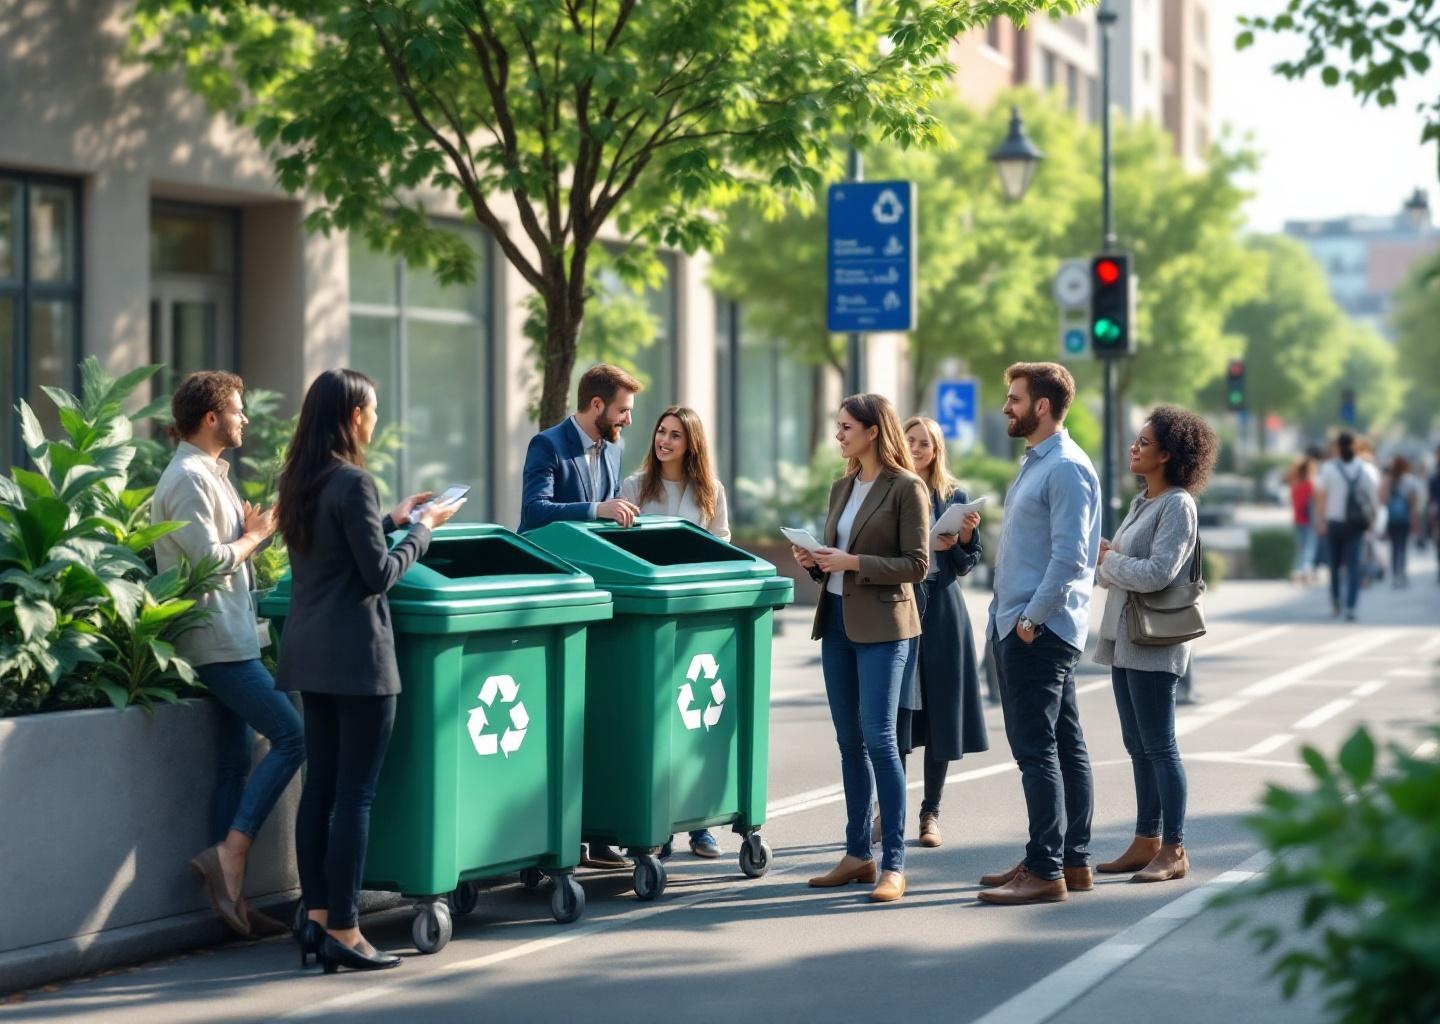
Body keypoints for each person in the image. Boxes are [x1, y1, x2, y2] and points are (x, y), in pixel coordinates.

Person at [275, 369, 461, 973]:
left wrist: (393, 517)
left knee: (320, 790)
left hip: (310, 654)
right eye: (373, 410)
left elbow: (336, 550)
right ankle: (349, 930)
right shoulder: (354, 481)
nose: (376, 418)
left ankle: (319, 917)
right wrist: (424, 532)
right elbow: (378, 575)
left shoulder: (302, 480)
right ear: (354, 416)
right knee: (355, 795)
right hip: (359, 658)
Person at [153, 371, 305, 938]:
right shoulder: (189, 478)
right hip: (215, 644)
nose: (246, 420)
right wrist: (256, 536)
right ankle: (230, 857)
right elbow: (207, 562)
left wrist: (245, 533)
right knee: (294, 736)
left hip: (231, 636)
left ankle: (231, 902)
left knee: (231, 766)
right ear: (212, 418)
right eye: (238, 412)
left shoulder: (207, 474)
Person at [793, 394, 928, 903]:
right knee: (849, 742)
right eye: (838, 426)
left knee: (880, 739)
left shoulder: (906, 487)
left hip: (885, 628)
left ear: (873, 431)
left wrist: (851, 563)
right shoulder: (841, 486)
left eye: (847, 427)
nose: (839, 435)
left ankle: (894, 862)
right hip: (837, 625)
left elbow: (917, 565)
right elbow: (837, 559)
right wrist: (814, 559)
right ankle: (857, 855)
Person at [978, 362, 1100, 906]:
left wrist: (1029, 619)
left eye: (1015, 398)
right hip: (1031, 624)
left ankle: (1046, 869)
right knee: (1064, 745)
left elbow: (1071, 557)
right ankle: (1067, 860)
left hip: (1039, 630)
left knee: (1037, 751)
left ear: (1042, 406)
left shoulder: (1066, 468)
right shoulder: (1040, 463)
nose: (1007, 407)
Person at [519, 363, 643, 868]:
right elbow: (534, 513)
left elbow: (610, 516)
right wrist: (597, 510)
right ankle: (550, 834)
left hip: (600, 591)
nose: (628, 421)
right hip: (553, 592)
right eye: (622, 411)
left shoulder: (611, 449)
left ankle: (596, 832)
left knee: (600, 714)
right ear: (597, 406)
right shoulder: (547, 446)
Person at [1093, 407, 1218, 885]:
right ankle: (1146, 839)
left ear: (1168, 454)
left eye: (1144, 442)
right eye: (1137, 440)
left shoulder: (1177, 505)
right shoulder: (1143, 501)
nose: (1135, 447)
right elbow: (1127, 567)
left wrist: (1110, 560)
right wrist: (1112, 559)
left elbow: (1159, 572)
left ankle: (1175, 847)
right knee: (1137, 745)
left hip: (1155, 640)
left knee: (1160, 746)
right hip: (1126, 636)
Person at [620, 405, 731, 859]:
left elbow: (722, 542)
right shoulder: (633, 486)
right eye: (660, 432)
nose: (663, 441)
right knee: (657, 726)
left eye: (675, 435)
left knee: (696, 726)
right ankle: (656, 826)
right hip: (652, 619)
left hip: (697, 618)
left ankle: (699, 825)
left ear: (692, 444)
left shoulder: (710, 492)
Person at [894, 415, 988, 849]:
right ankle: (886, 809)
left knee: (940, 712)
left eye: (924, 443)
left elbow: (969, 565)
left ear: (936, 450)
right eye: (910, 440)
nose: (916, 448)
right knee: (896, 711)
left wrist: (964, 540)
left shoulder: (954, 496)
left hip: (943, 610)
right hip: (897, 606)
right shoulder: (889, 489)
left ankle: (930, 812)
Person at [1314, 431, 1380, 621]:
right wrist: (1373, 521)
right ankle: (1351, 606)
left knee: (1334, 566)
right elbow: (1373, 499)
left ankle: (1336, 601)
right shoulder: (1367, 469)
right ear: (1356, 447)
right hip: (1357, 523)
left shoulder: (1328, 469)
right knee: (1354, 566)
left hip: (1333, 522)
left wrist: (1320, 521)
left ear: (1337, 447)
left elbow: (1321, 497)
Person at [1379, 455, 1422, 588]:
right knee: (1402, 548)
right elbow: (1413, 502)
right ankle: (1402, 574)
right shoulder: (1409, 481)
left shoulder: (1388, 480)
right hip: (1404, 518)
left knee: (1393, 548)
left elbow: (1382, 499)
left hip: (1392, 519)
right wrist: (1414, 519)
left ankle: (1395, 574)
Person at [1287, 456, 1317, 584]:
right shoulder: (1311, 485)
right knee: (1309, 548)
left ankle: (1295, 571)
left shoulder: (1295, 485)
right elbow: (1315, 503)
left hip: (1297, 520)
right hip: (1309, 521)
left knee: (1300, 548)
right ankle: (1305, 572)